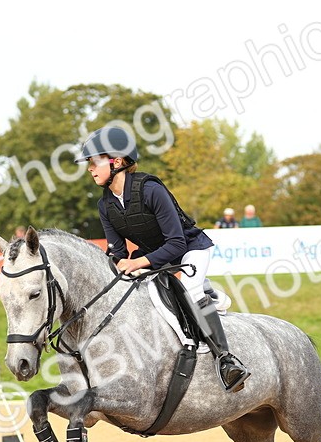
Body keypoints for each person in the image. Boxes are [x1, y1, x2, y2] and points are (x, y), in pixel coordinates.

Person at [77, 125, 250, 393]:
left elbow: (176, 243)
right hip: (154, 258)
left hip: (190, 249)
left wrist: (137, 263)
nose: (90, 168)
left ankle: (226, 360)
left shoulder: (150, 190)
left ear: (117, 161)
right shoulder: (105, 205)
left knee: (191, 290)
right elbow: (119, 253)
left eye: (94, 161)